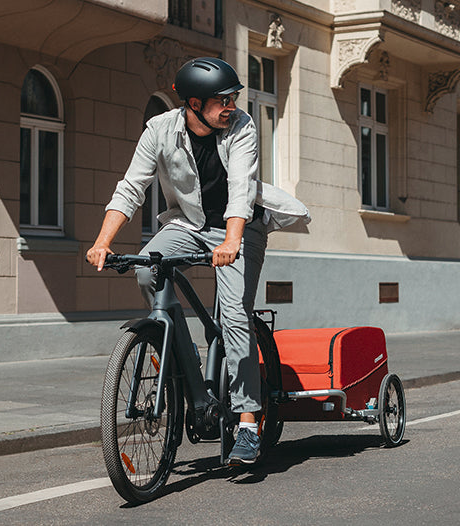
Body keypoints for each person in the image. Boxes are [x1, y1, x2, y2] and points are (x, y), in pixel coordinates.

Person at [86, 57, 308, 465]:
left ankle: (247, 422)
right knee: (147, 269)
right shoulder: (159, 130)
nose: (231, 106)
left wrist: (232, 241)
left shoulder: (242, 127)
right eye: (223, 100)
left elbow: (241, 189)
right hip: (188, 225)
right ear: (194, 103)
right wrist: (103, 242)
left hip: (240, 227)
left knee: (234, 315)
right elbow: (132, 187)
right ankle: (185, 362)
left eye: (233, 98)